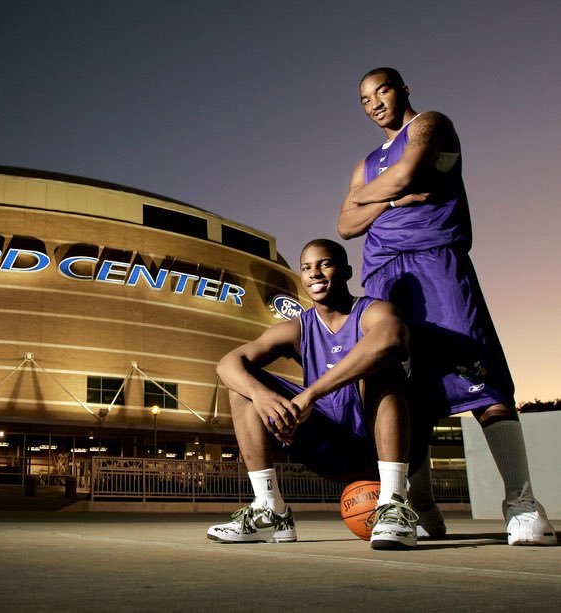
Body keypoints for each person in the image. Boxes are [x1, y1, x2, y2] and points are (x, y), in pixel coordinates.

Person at [337, 67, 556, 546]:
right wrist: (392, 201)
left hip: (436, 261)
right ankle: (421, 508)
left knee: (480, 374)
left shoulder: (431, 124)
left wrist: (377, 194)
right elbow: (345, 224)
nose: (374, 103)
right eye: (364, 99)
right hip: (383, 278)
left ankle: (521, 504)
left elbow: (409, 172)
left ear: (404, 89)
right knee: (399, 389)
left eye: (383, 91)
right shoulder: (365, 162)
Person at [207, 238, 424, 550]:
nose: (315, 274)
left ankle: (395, 504)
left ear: (346, 271)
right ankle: (271, 510)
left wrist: (310, 394)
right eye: (307, 268)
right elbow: (227, 363)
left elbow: (391, 340)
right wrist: (260, 396)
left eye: (325, 264)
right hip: (333, 449)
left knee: (381, 366)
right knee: (242, 385)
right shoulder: (298, 327)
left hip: (389, 446)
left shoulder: (372, 311)